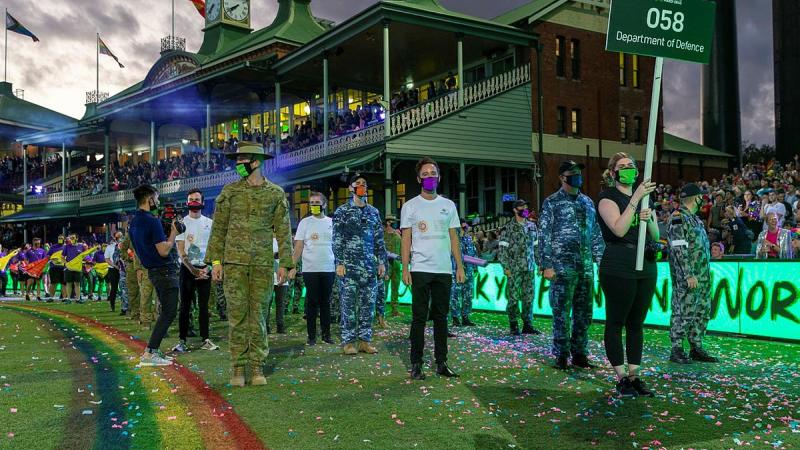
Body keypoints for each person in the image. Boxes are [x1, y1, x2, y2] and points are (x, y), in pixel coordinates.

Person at [206, 142, 294, 387]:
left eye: (242, 159)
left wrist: (286, 264)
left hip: (263, 265)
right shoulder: (230, 192)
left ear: (255, 162)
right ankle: (237, 367)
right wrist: (215, 261)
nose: (238, 164)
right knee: (237, 316)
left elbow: (283, 232)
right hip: (233, 264)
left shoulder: (275, 194)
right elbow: (218, 229)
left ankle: (256, 366)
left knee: (259, 316)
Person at [596, 153, 659, 397]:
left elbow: (654, 234)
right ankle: (621, 377)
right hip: (618, 263)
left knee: (636, 322)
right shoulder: (606, 198)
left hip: (645, 263)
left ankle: (634, 375)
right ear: (613, 173)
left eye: (631, 166)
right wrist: (635, 203)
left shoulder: (644, 198)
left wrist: (648, 216)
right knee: (616, 321)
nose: (628, 170)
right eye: (622, 167)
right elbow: (619, 229)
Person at [401, 157, 464, 380]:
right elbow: (405, 239)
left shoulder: (449, 205)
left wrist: (459, 266)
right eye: (425, 174)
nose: (430, 177)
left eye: (433, 173)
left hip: (444, 269)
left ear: (439, 177)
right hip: (420, 268)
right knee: (419, 318)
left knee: (441, 317)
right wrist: (405, 268)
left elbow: (454, 237)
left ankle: (441, 362)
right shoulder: (410, 206)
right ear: (419, 179)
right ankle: (416, 363)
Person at [538, 160, 605, 370]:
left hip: (585, 268)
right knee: (561, 313)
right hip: (561, 268)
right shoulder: (551, 202)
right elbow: (544, 235)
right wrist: (546, 264)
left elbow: (595, 234)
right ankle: (561, 354)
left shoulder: (587, 202)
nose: (577, 176)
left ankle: (580, 354)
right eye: (572, 173)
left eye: (578, 173)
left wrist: (601, 261)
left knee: (584, 314)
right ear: (562, 177)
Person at [332, 173, 386, 356]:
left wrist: (381, 262)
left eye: (364, 184)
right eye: (358, 183)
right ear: (350, 188)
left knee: (368, 306)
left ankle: (364, 341)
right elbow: (337, 239)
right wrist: (339, 262)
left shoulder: (373, 212)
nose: (362, 186)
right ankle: (348, 342)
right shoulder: (342, 212)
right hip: (348, 267)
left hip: (369, 267)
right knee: (348, 306)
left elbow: (379, 239)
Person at [128, 184, 180, 367]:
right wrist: (173, 232)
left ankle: (153, 350)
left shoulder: (133, 222)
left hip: (153, 270)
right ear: (149, 199)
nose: (157, 202)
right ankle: (150, 351)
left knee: (166, 310)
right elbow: (164, 250)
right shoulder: (151, 220)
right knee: (169, 311)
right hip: (164, 270)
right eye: (156, 199)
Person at [667, 183, 718, 364]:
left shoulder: (695, 219)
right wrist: (688, 274)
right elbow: (678, 249)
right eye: (701, 197)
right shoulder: (678, 218)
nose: (703, 200)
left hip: (702, 276)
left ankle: (696, 346)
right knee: (683, 311)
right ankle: (677, 348)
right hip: (687, 277)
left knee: (702, 311)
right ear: (696, 198)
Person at [174, 189, 218, 353]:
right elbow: (180, 250)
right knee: (185, 306)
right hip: (187, 270)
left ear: (203, 202)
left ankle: (206, 339)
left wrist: (209, 267)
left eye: (197, 199)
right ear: (187, 202)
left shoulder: (210, 223)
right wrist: (192, 270)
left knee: (204, 307)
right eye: (191, 199)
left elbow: (214, 248)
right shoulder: (181, 223)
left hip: (205, 269)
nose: (193, 201)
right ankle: (182, 340)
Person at [290, 192, 336, 346]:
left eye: (317, 202)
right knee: (312, 302)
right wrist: (292, 266)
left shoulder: (332, 222)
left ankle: (326, 334)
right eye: (311, 202)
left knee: (325, 302)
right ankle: (311, 336)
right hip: (310, 269)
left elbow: (337, 245)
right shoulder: (305, 222)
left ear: (324, 204)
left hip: (328, 268)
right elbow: (298, 246)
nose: (314, 205)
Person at [499, 199, 541, 336]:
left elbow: (536, 247)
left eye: (526, 206)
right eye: (522, 207)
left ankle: (528, 325)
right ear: (515, 210)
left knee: (529, 297)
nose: (525, 208)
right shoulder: (508, 227)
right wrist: (505, 267)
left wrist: (540, 264)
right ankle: (513, 324)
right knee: (513, 298)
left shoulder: (532, 226)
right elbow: (502, 249)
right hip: (514, 268)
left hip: (529, 268)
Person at [450, 218, 477, 327]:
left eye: (466, 227)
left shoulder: (469, 238)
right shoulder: (452, 239)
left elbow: (473, 253)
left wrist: (475, 268)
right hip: (456, 271)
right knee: (454, 295)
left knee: (468, 295)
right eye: (463, 227)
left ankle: (465, 316)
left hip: (468, 271)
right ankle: (455, 317)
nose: (465, 229)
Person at [383, 215, 403, 318]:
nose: (395, 222)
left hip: (396, 264)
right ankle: (381, 312)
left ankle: (395, 310)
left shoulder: (398, 234)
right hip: (386, 265)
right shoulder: (383, 235)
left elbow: (401, 248)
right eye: (392, 221)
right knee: (384, 289)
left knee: (396, 288)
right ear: (387, 222)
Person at [268, 237, 288, 335]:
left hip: (282, 278)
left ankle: (280, 326)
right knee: (267, 303)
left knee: (280, 303)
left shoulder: (284, 240)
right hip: (269, 277)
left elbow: (290, 256)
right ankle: (266, 326)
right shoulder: (266, 239)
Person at [104, 231, 128, 315]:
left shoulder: (125, 246)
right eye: (118, 236)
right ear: (115, 237)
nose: (120, 238)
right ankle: (112, 305)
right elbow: (107, 259)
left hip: (124, 269)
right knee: (113, 288)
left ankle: (125, 307)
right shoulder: (110, 247)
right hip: (113, 269)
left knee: (124, 288)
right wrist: (115, 265)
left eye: (121, 236)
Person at [46, 235, 66, 302]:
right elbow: (48, 256)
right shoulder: (53, 247)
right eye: (59, 238)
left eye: (61, 238)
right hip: (54, 267)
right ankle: (51, 298)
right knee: (53, 283)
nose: (60, 239)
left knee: (64, 283)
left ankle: (64, 298)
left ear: (64, 239)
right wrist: (52, 258)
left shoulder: (66, 247)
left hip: (63, 267)